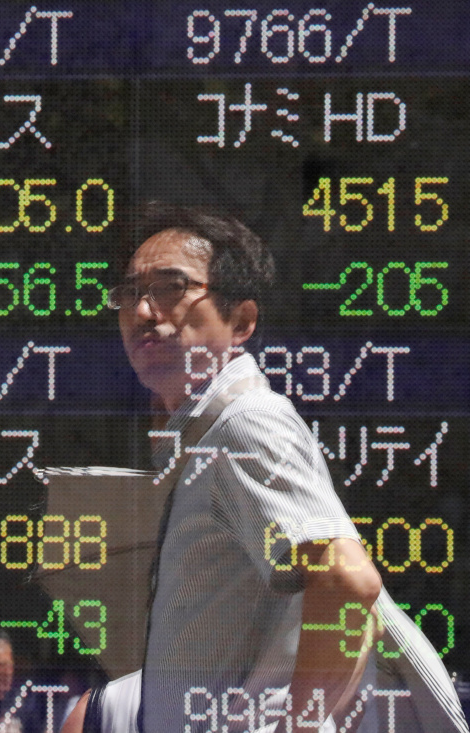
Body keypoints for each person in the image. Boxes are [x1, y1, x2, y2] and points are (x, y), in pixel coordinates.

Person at [63, 204, 467, 733]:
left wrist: (299, 727)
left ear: (242, 321)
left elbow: (347, 581)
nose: (142, 311)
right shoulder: (204, 440)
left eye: (170, 287)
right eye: (129, 293)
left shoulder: (245, 424)